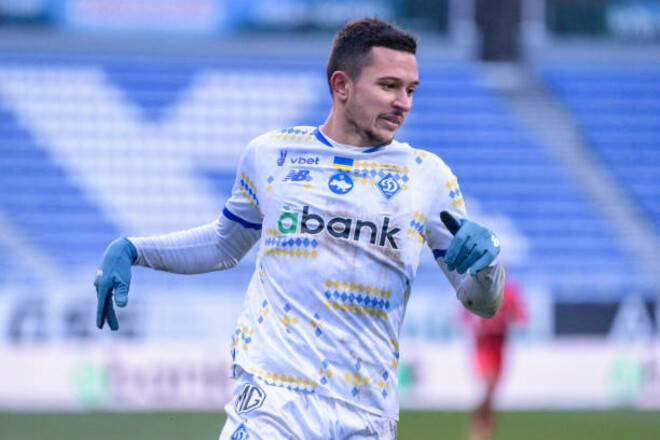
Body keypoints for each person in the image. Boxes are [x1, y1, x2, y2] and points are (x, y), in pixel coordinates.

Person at [94, 18, 505, 440]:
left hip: (366, 411)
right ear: (341, 86)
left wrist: (488, 264)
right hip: (273, 398)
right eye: (388, 86)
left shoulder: (427, 177)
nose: (403, 103)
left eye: (410, 90)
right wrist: (133, 250)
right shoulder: (273, 156)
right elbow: (223, 245)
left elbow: (482, 303)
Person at [463, 280, 526, 440]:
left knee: (493, 391)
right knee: (489, 387)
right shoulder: (476, 289)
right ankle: (478, 423)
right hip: (483, 346)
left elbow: (520, 316)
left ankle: (483, 428)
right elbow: (465, 315)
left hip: (499, 347)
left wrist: (507, 318)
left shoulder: (508, 292)